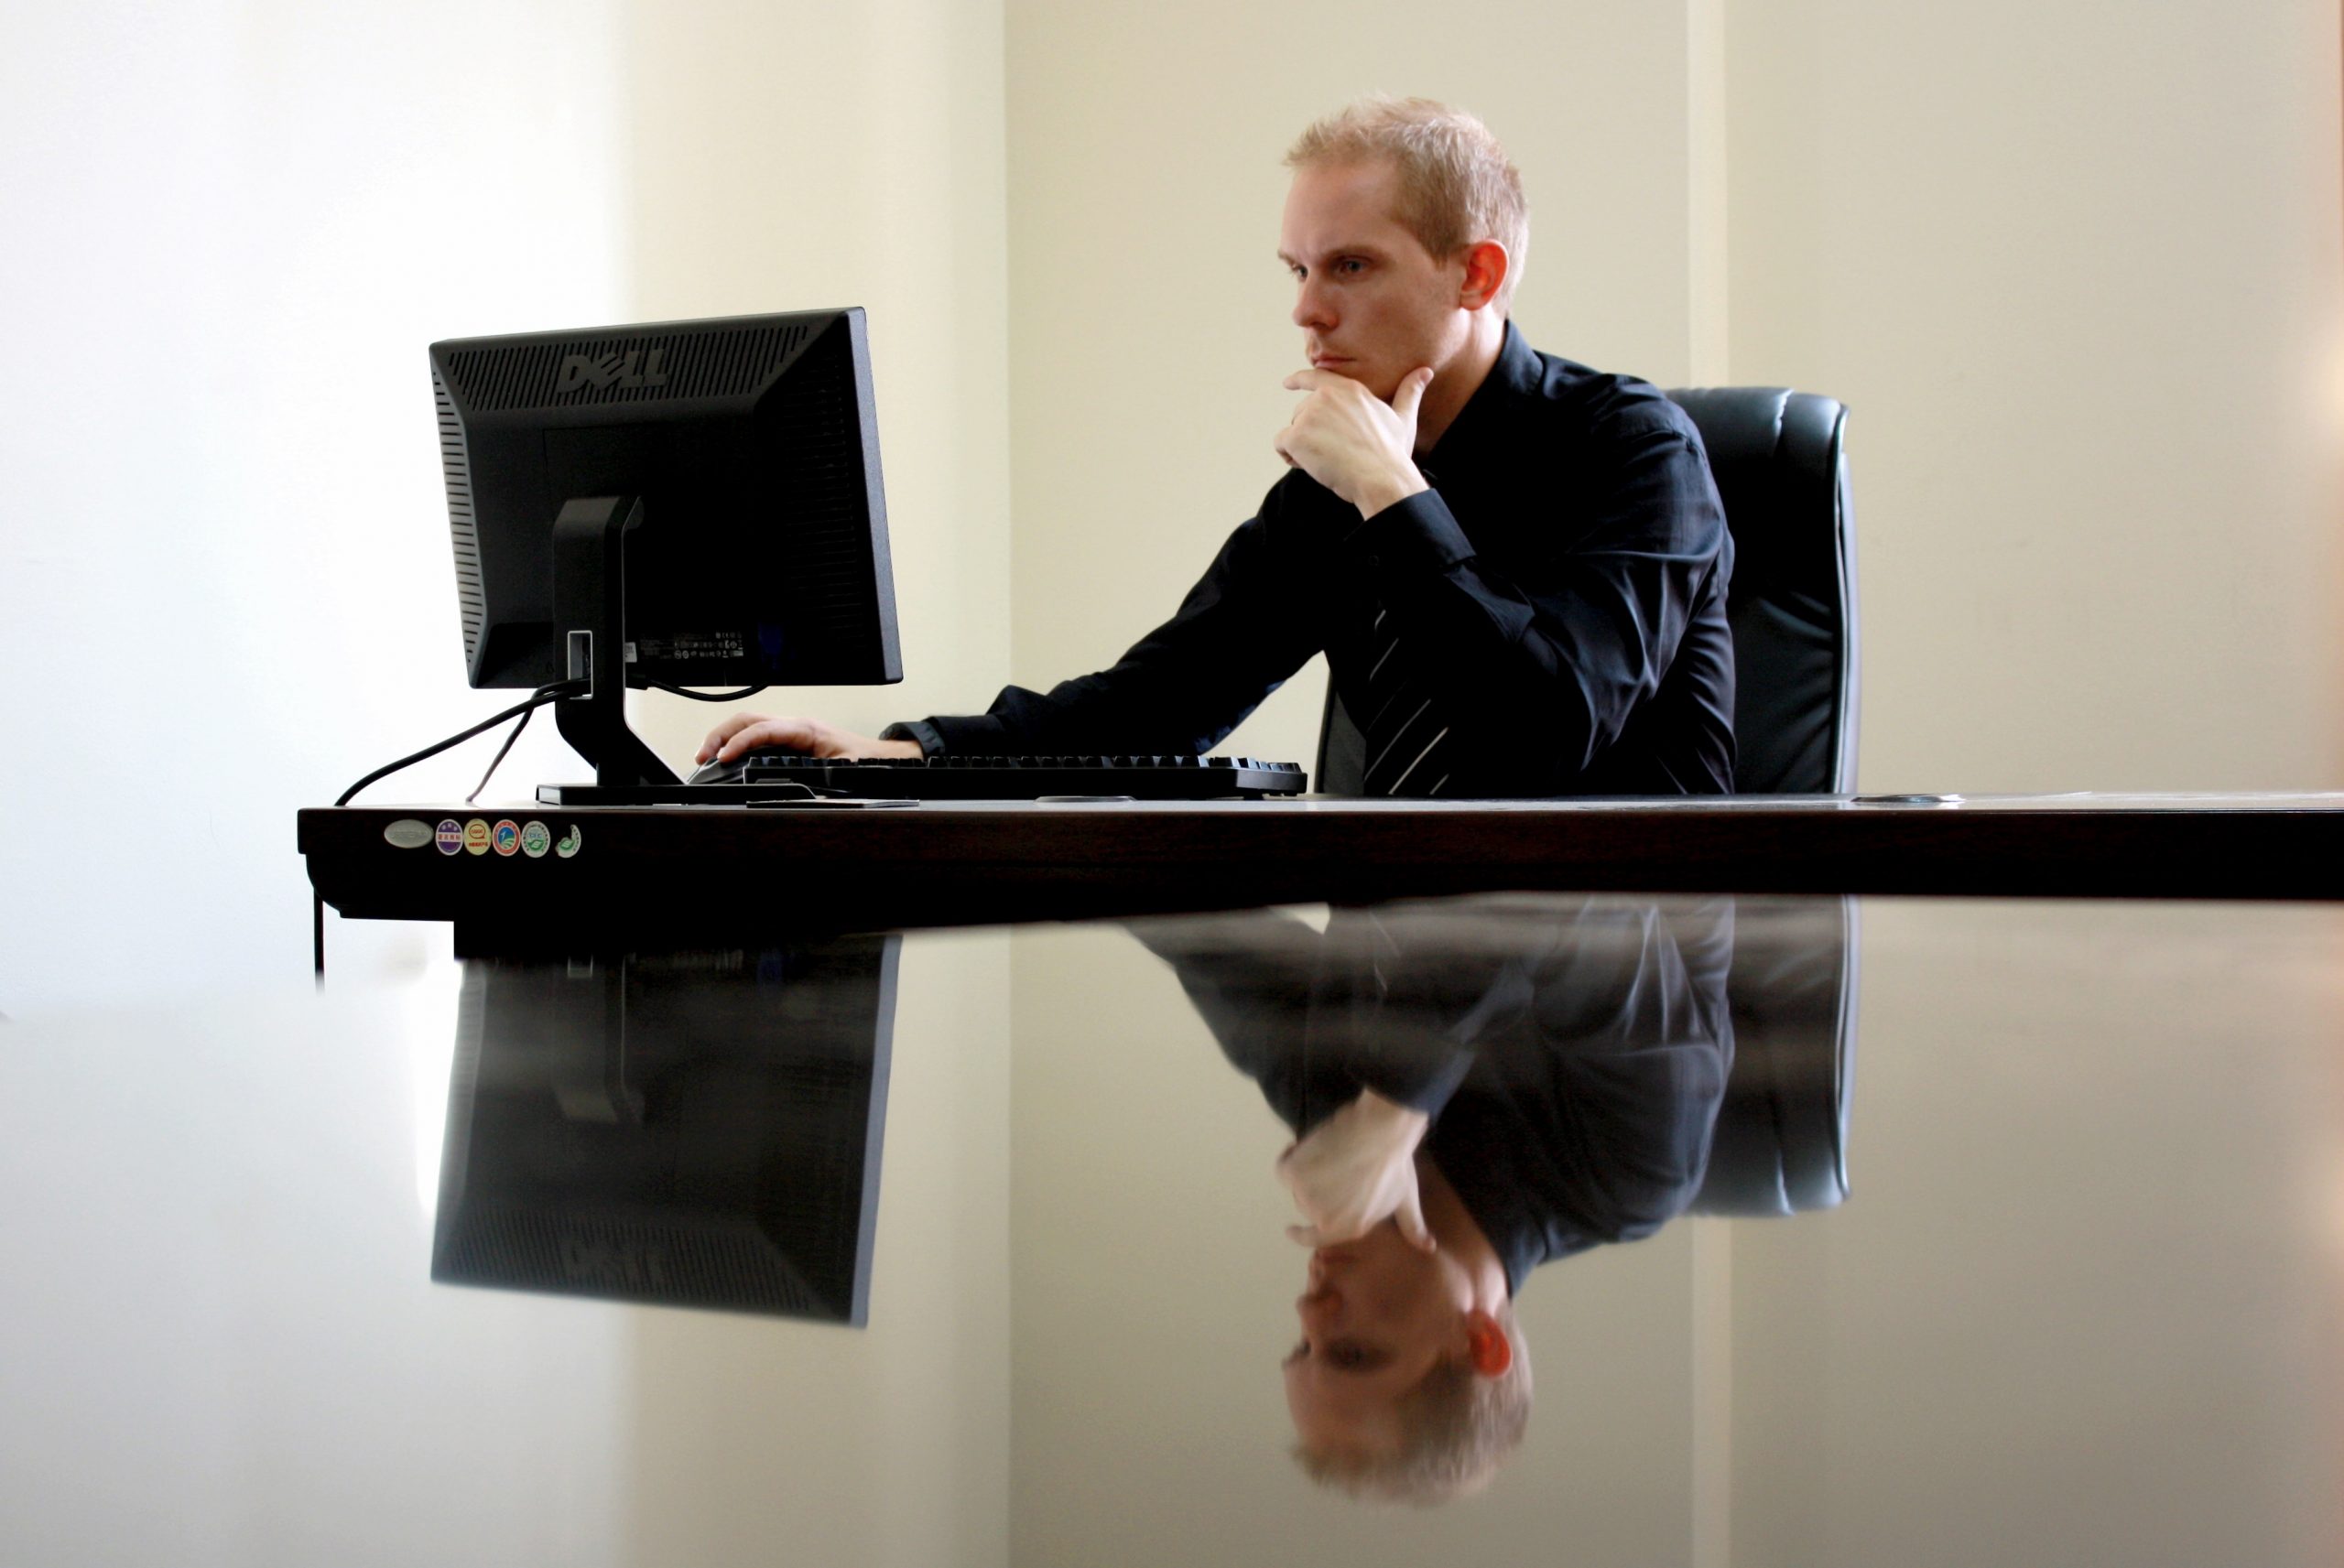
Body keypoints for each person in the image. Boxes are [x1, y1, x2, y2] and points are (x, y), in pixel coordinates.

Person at [702, 96, 1735, 798]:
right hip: (1399, 981)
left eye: (1350, 266)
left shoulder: (1635, 451)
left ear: (1474, 274)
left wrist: (1390, 491)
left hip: (1611, 998)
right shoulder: (1336, 488)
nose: (1307, 312)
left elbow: (1547, 731)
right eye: (1296, 269)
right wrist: (900, 753)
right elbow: (1157, 706)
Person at [1134, 895, 1737, 1501]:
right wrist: (1393, 1109)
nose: (1309, 1310)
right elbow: (1554, 888)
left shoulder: (1328, 1116)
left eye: (1302, 1346)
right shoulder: (1631, 1173)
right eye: (1353, 1352)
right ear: (1479, 1340)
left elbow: (1190, 917)